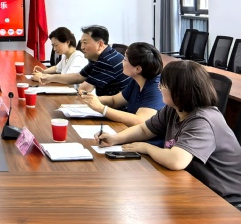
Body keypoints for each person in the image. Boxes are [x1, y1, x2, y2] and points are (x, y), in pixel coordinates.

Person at [96, 60, 241, 208]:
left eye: (163, 85)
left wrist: (147, 148)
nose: (159, 88)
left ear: (179, 91)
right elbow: (144, 130)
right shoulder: (174, 109)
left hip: (224, 200)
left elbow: (176, 161)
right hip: (195, 185)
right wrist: (115, 138)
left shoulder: (202, 121)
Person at [78, 42, 165, 130]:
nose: (121, 61)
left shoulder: (156, 88)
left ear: (138, 69)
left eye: (125, 59)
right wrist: (90, 99)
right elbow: (114, 101)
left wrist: (101, 108)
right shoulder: (137, 81)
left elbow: (140, 121)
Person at [34, 25, 127, 96]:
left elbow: (84, 89)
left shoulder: (106, 61)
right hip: (107, 106)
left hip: (117, 110)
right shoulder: (99, 58)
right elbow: (79, 76)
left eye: (85, 43)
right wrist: (48, 77)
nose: (82, 47)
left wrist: (47, 77)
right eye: (81, 43)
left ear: (100, 44)